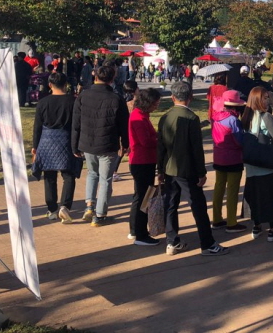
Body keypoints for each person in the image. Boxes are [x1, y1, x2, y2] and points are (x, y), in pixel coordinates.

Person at [157, 81, 229, 257]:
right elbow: (196, 149)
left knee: (171, 205)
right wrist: (201, 172)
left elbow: (160, 147)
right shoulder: (191, 118)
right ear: (190, 98)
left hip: (169, 168)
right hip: (187, 169)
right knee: (198, 206)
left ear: (173, 97)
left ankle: (172, 241)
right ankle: (207, 243)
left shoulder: (165, 117)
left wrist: (159, 170)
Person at [72, 64, 130, 226]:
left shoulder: (83, 96)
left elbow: (75, 123)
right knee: (105, 179)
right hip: (108, 144)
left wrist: (74, 145)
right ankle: (100, 214)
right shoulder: (116, 98)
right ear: (112, 79)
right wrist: (125, 143)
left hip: (87, 142)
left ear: (95, 77)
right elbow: (123, 124)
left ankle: (89, 206)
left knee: (92, 173)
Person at [31, 72, 81, 224]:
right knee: (69, 175)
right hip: (66, 140)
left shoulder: (43, 102)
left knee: (49, 176)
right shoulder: (73, 101)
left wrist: (35, 146)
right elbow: (77, 126)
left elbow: (37, 126)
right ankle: (65, 206)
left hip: (46, 141)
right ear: (66, 84)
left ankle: (52, 209)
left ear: (50, 85)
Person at [240, 86, 273, 242]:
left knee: (255, 196)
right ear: (258, 100)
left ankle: (257, 226)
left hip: (251, 164)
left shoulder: (246, 116)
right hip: (265, 164)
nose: (268, 100)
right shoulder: (266, 116)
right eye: (265, 98)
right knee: (269, 197)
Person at [128, 88, 162, 246]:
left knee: (141, 197)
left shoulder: (141, 115)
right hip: (142, 161)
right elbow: (146, 141)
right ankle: (140, 234)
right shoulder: (139, 118)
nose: (157, 106)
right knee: (143, 198)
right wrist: (160, 138)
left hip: (144, 161)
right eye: (155, 103)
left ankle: (136, 229)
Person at [210, 89, 247, 233]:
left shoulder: (216, 117)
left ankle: (217, 219)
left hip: (218, 157)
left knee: (219, 187)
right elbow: (239, 141)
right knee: (232, 190)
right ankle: (232, 222)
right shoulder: (233, 120)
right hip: (233, 159)